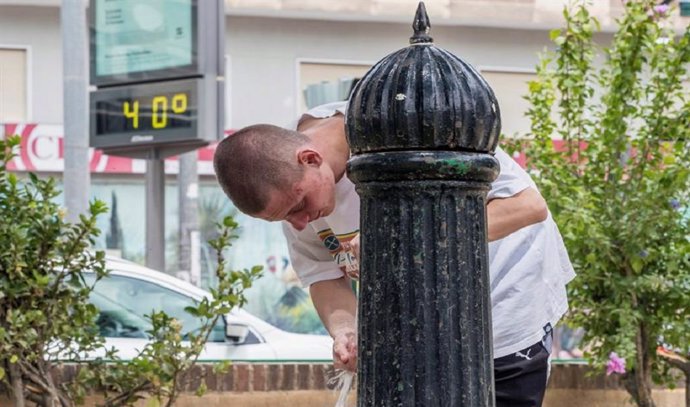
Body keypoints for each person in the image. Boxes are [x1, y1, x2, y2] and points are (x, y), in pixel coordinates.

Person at [213, 101, 575, 407]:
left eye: (299, 206)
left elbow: (527, 207)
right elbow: (323, 274)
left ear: (310, 157)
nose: (300, 222)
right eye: (285, 217)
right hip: (413, 331)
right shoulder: (289, 183)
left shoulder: (405, 121)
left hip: (504, 307)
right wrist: (345, 331)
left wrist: (396, 242)